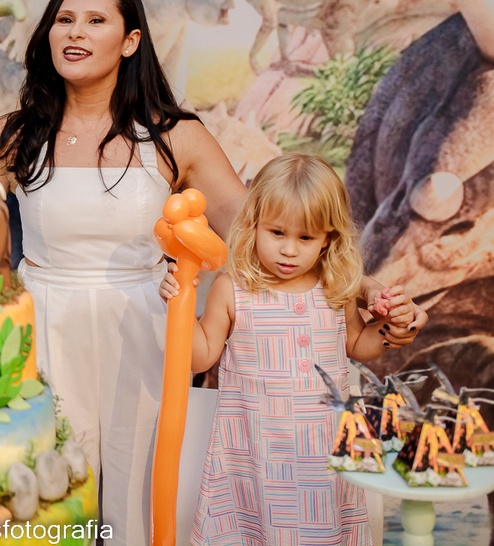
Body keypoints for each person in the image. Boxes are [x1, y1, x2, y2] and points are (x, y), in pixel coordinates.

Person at [0, 0, 425, 543]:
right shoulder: (17, 133)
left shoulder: (177, 136)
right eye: (64, 19)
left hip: (144, 332)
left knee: (136, 509)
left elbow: (255, 231)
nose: (75, 31)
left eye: (96, 20)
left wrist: (367, 290)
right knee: (47, 503)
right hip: (41, 332)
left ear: (130, 41)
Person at [159, 153, 420, 544]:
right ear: (254, 224)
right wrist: (178, 309)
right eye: (277, 233)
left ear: (328, 238)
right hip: (252, 457)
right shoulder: (232, 289)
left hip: (322, 458)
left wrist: (389, 328)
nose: (289, 250)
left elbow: (356, 344)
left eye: (305, 238)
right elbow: (201, 357)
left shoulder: (334, 289)